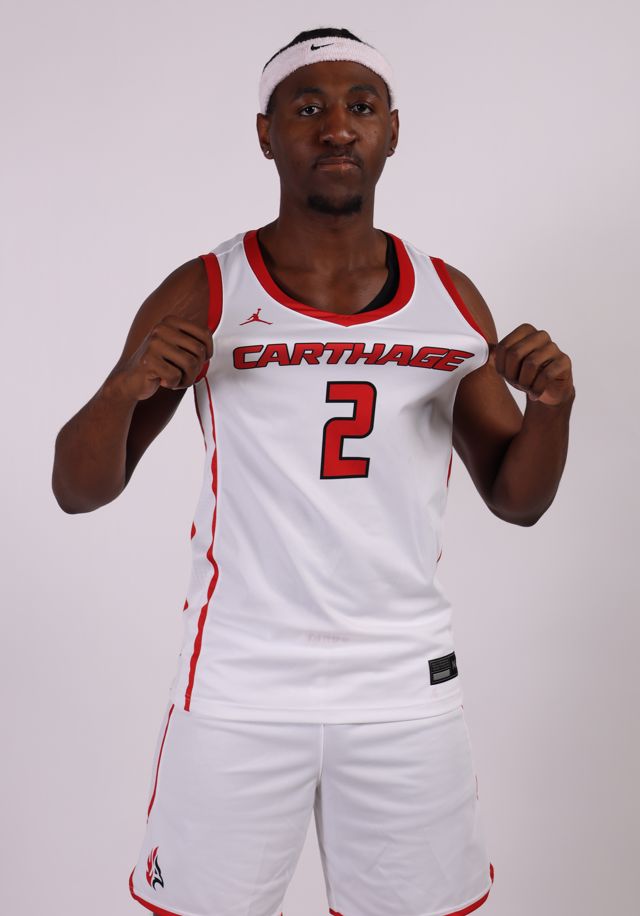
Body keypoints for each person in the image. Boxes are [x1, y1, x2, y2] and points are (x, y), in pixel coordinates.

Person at [52, 26, 575, 916]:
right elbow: (78, 489)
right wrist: (121, 388)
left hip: (403, 685)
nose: (337, 127)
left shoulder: (449, 297)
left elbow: (517, 500)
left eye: (361, 107)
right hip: (239, 684)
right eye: (308, 108)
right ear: (266, 134)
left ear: (392, 130)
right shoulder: (207, 289)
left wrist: (553, 408)